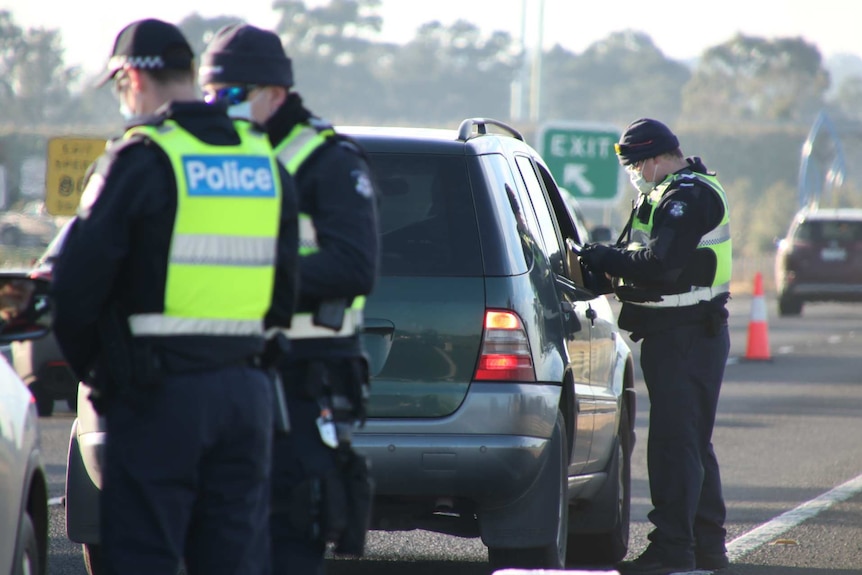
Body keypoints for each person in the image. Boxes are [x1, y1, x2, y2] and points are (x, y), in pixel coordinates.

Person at [50, 18, 299, 575]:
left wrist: (102, 373)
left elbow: (73, 290)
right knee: (233, 559)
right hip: (246, 396)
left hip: (159, 395)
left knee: (145, 555)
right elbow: (284, 295)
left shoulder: (138, 160)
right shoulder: (266, 164)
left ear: (133, 78)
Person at [199, 24, 380, 575]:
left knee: (291, 529)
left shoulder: (325, 159)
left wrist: (251, 281)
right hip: (224, 367)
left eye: (230, 94)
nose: (216, 106)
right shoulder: (210, 154)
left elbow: (354, 265)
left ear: (273, 94)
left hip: (304, 374)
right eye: (209, 93)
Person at [577, 118, 731, 575]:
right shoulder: (667, 192)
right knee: (689, 444)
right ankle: (705, 548)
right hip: (678, 333)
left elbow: (662, 264)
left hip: (687, 334)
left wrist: (607, 255)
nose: (635, 175)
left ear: (654, 158)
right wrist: (604, 263)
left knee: (675, 445)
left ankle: (673, 550)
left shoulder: (687, 196)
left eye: (635, 166)